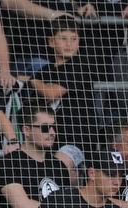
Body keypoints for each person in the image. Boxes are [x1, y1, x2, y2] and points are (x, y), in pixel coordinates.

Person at [29, 18, 97, 153]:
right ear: (51, 41)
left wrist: (31, 80)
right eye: (63, 38)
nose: (69, 43)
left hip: (78, 139)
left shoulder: (80, 65)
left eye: (73, 39)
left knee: (65, 166)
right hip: (50, 139)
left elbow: (52, 93)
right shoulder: (44, 71)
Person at [0, 103, 71, 208]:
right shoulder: (10, 163)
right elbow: (23, 206)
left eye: (54, 127)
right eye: (45, 128)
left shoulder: (59, 166)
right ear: (26, 130)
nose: (52, 133)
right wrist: (62, 207)